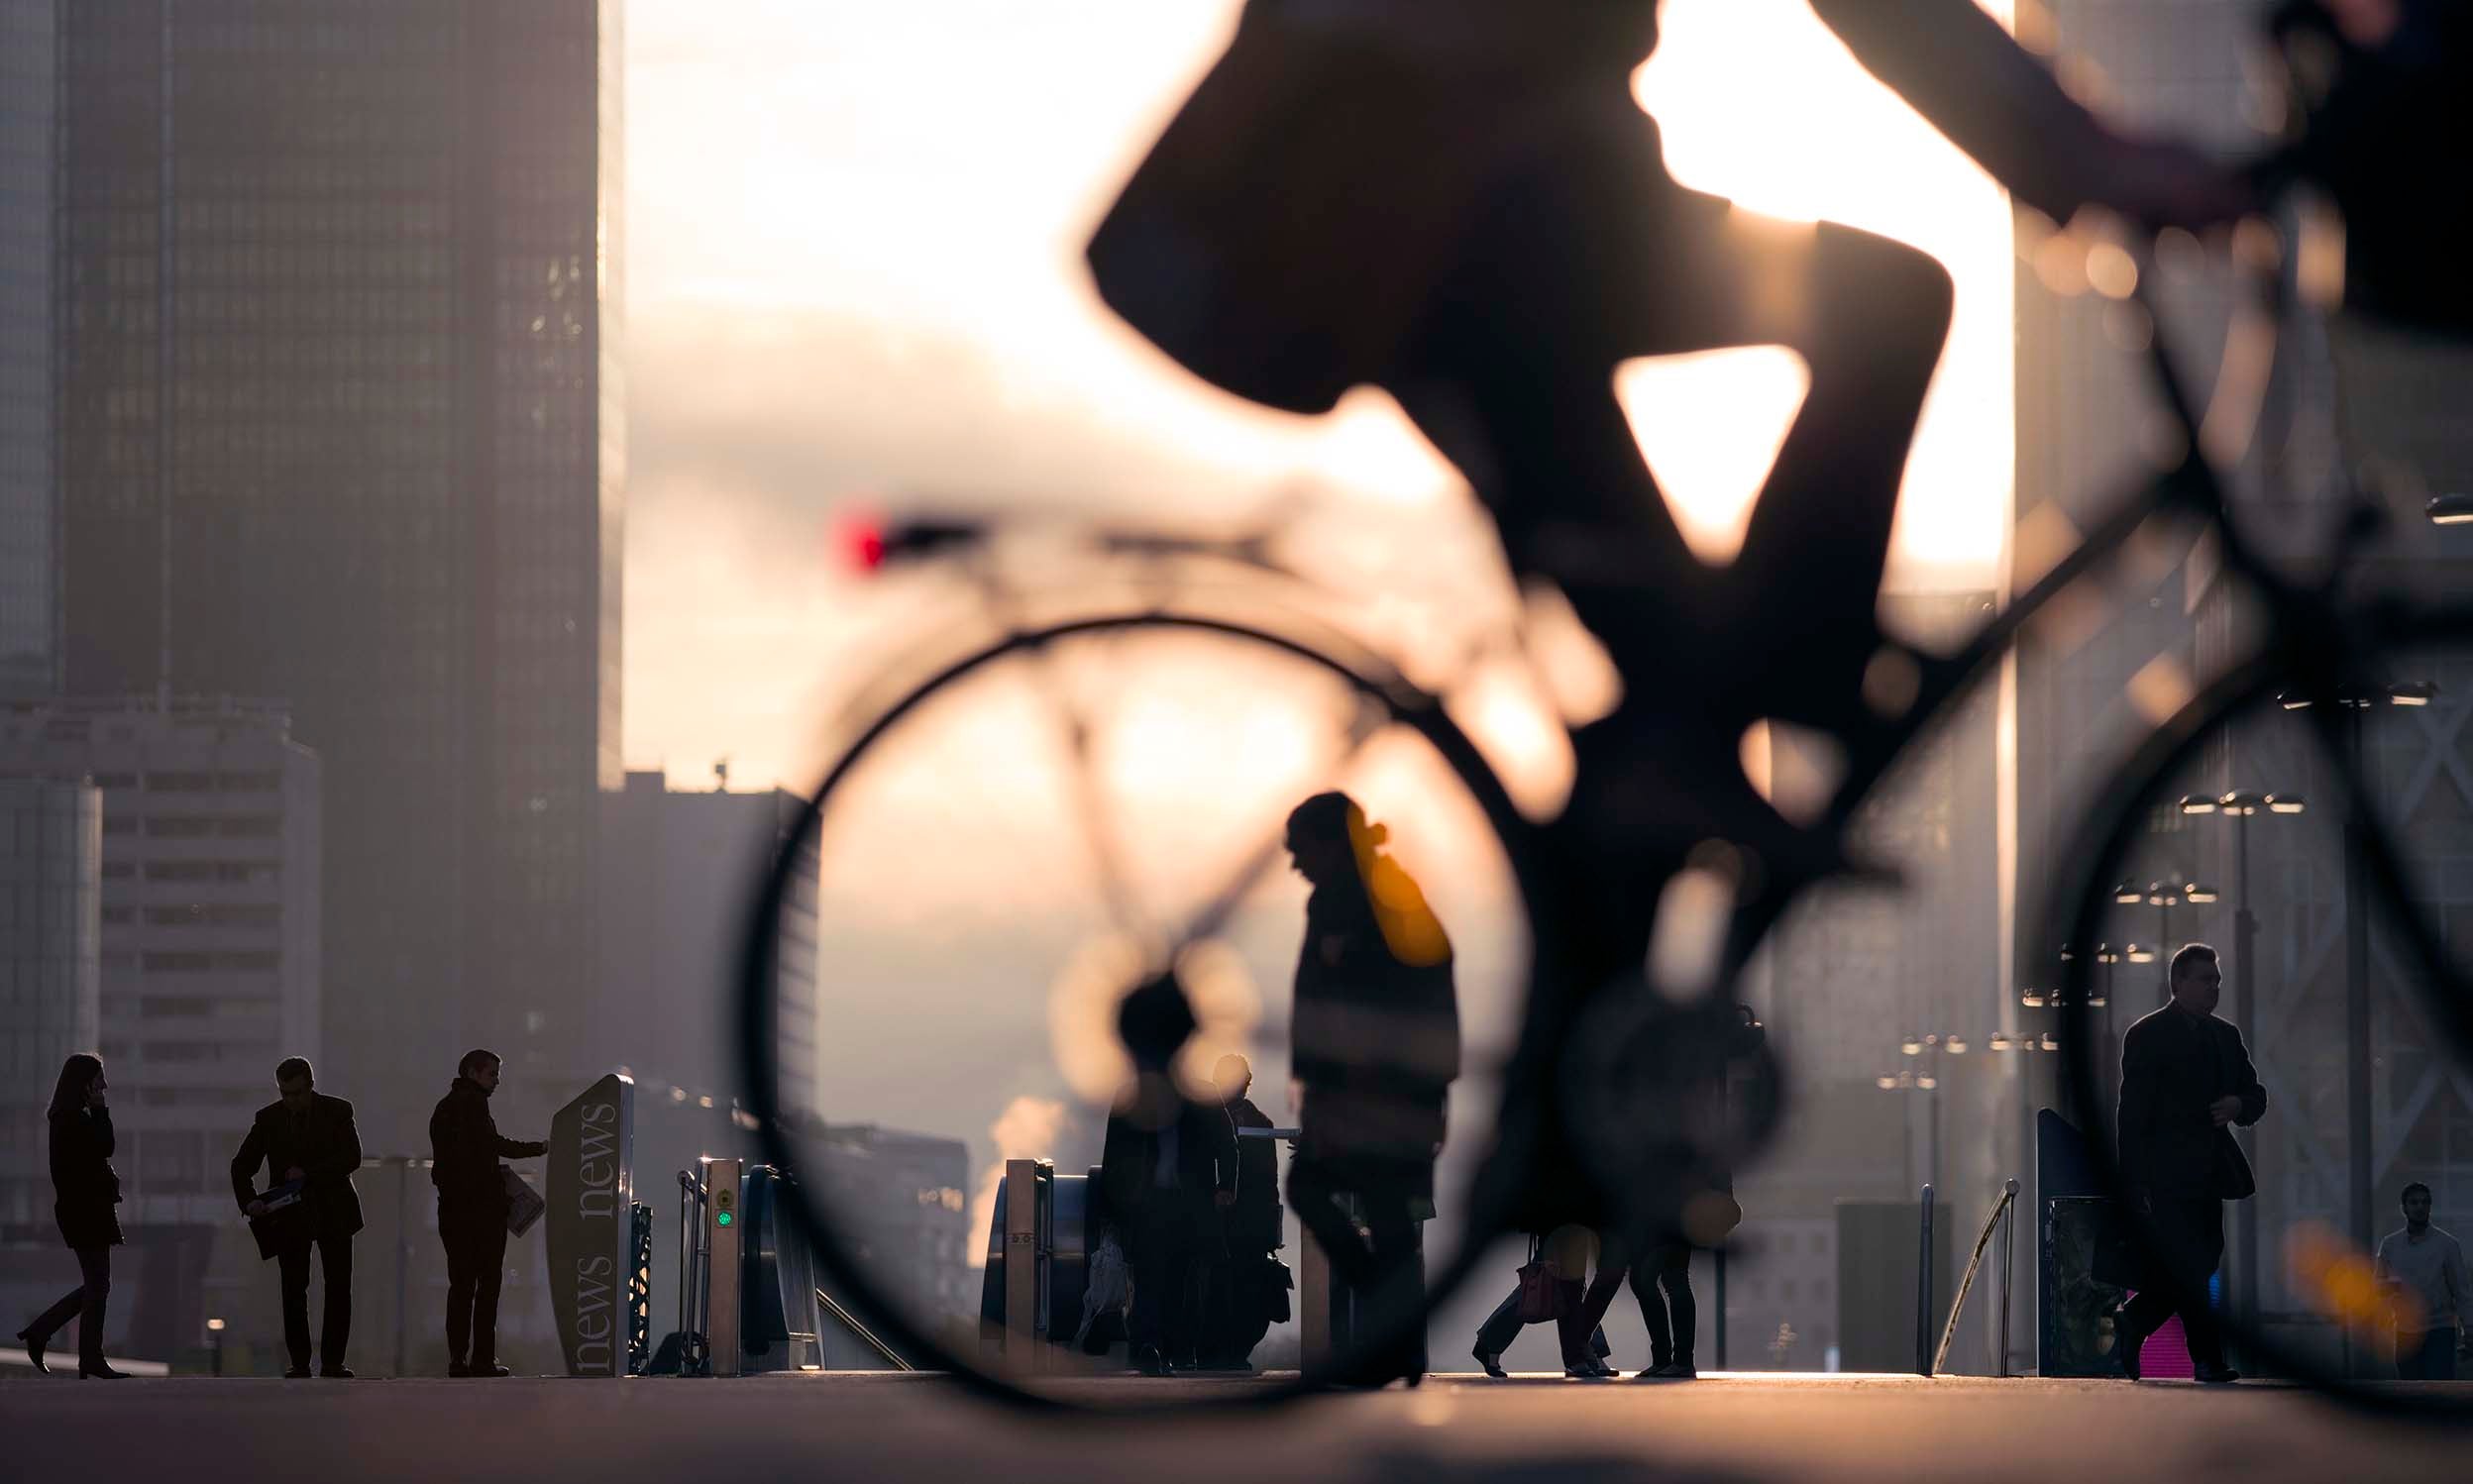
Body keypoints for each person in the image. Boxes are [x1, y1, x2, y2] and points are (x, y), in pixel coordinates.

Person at [1283, 791, 1459, 1386]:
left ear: (1331, 844)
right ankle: (1397, 1340)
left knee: (1340, 1199)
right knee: (1385, 1219)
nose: (1295, 864)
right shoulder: (1344, 899)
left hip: (1382, 1093)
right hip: (1362, 1090)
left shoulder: (1381, 897)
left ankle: (1393, 1341)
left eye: (1301, 849)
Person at [2112, 943, 2266, 1384]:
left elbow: (2256, 1094)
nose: (2212, 988)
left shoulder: (2225, 1036)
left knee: (2200, 1261)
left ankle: (2136, 1319)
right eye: (2203, 980)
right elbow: (2132, 1113)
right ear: (2177, 983)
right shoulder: (2147, 1035)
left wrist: (2239, 1104)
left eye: (2216, 980)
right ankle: (2207, 1359)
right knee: (2192, 1262)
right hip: (2164, 1174)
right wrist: (2132, 1180)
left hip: (2209, 1173)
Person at [1097, 1056, 1239, 1376]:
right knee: (1149, 1277)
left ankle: (1164, 1349)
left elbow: (1227, 1146)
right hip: (1147, 1206)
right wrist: (1112, 1208)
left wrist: (1225, 1186)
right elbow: (1114, 1155)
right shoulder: (1130, 1097)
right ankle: (1150, 1347)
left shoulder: (1203, 1096)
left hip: (1186, 1207)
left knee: (1177, 1280)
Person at [232, 1056, 364, 1379]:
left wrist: (308, 1175)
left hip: (333, 1209)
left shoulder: (338, 1111)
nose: (291, 1101)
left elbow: (352, 1157)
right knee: (293, 1289)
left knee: (337, 1287)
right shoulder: (268, 1119)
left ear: (310, 1086)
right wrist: (249, 1201)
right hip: (290, 1214)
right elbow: (241, 1165)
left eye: (297, 1093)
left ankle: (332, 1362)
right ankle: (301, 1362)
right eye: (285, 1094)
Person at [429, 1049, 548, 1377]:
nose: (497, 1081)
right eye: (492, 1074)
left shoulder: (443, 1109)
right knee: (488, 1283)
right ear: (472, 1073)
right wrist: (538, 1148)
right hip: (481, 1211)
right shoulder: (475, 1105)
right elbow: (495, 1144)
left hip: (452, 1209)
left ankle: (456, 1358)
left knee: (460, 1285)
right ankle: (482, 1358)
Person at [16, 1054, 126, 1378]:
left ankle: (43, 1333)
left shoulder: (68, 1117)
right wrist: (100, 1109)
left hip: (86, 1209)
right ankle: (87, 1355)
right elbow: (106, 1146)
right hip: (86, 1211)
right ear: (84, 1083)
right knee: (99, 1284)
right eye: (99, 1079)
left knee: (97, 1283)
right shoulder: (72, 1119)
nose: (104, 1086)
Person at [1200, 1053, 1284, 1371]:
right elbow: (1269, 1185)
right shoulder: (1261, 1125)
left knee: (1221, 1287)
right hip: (1246, 1227)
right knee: (1239, 1290)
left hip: (1231, 1226)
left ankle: (1218, 1351)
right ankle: (1229, 1353)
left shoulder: (1207, 1119)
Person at [2374, 1182, 2469, 1381]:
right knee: (2410, 1391)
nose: (2420, 1207)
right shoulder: (2389, 1245)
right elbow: (2378, 1286)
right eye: (2414, 1202)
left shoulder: (2448, 1245)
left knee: (2439, 1390)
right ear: (2404, 1208)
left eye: (2425, 1202)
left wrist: (2469, 1330)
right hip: (2405, 1330)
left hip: (2440, 1329)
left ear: (2430, 1207)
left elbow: (2461, 1291)